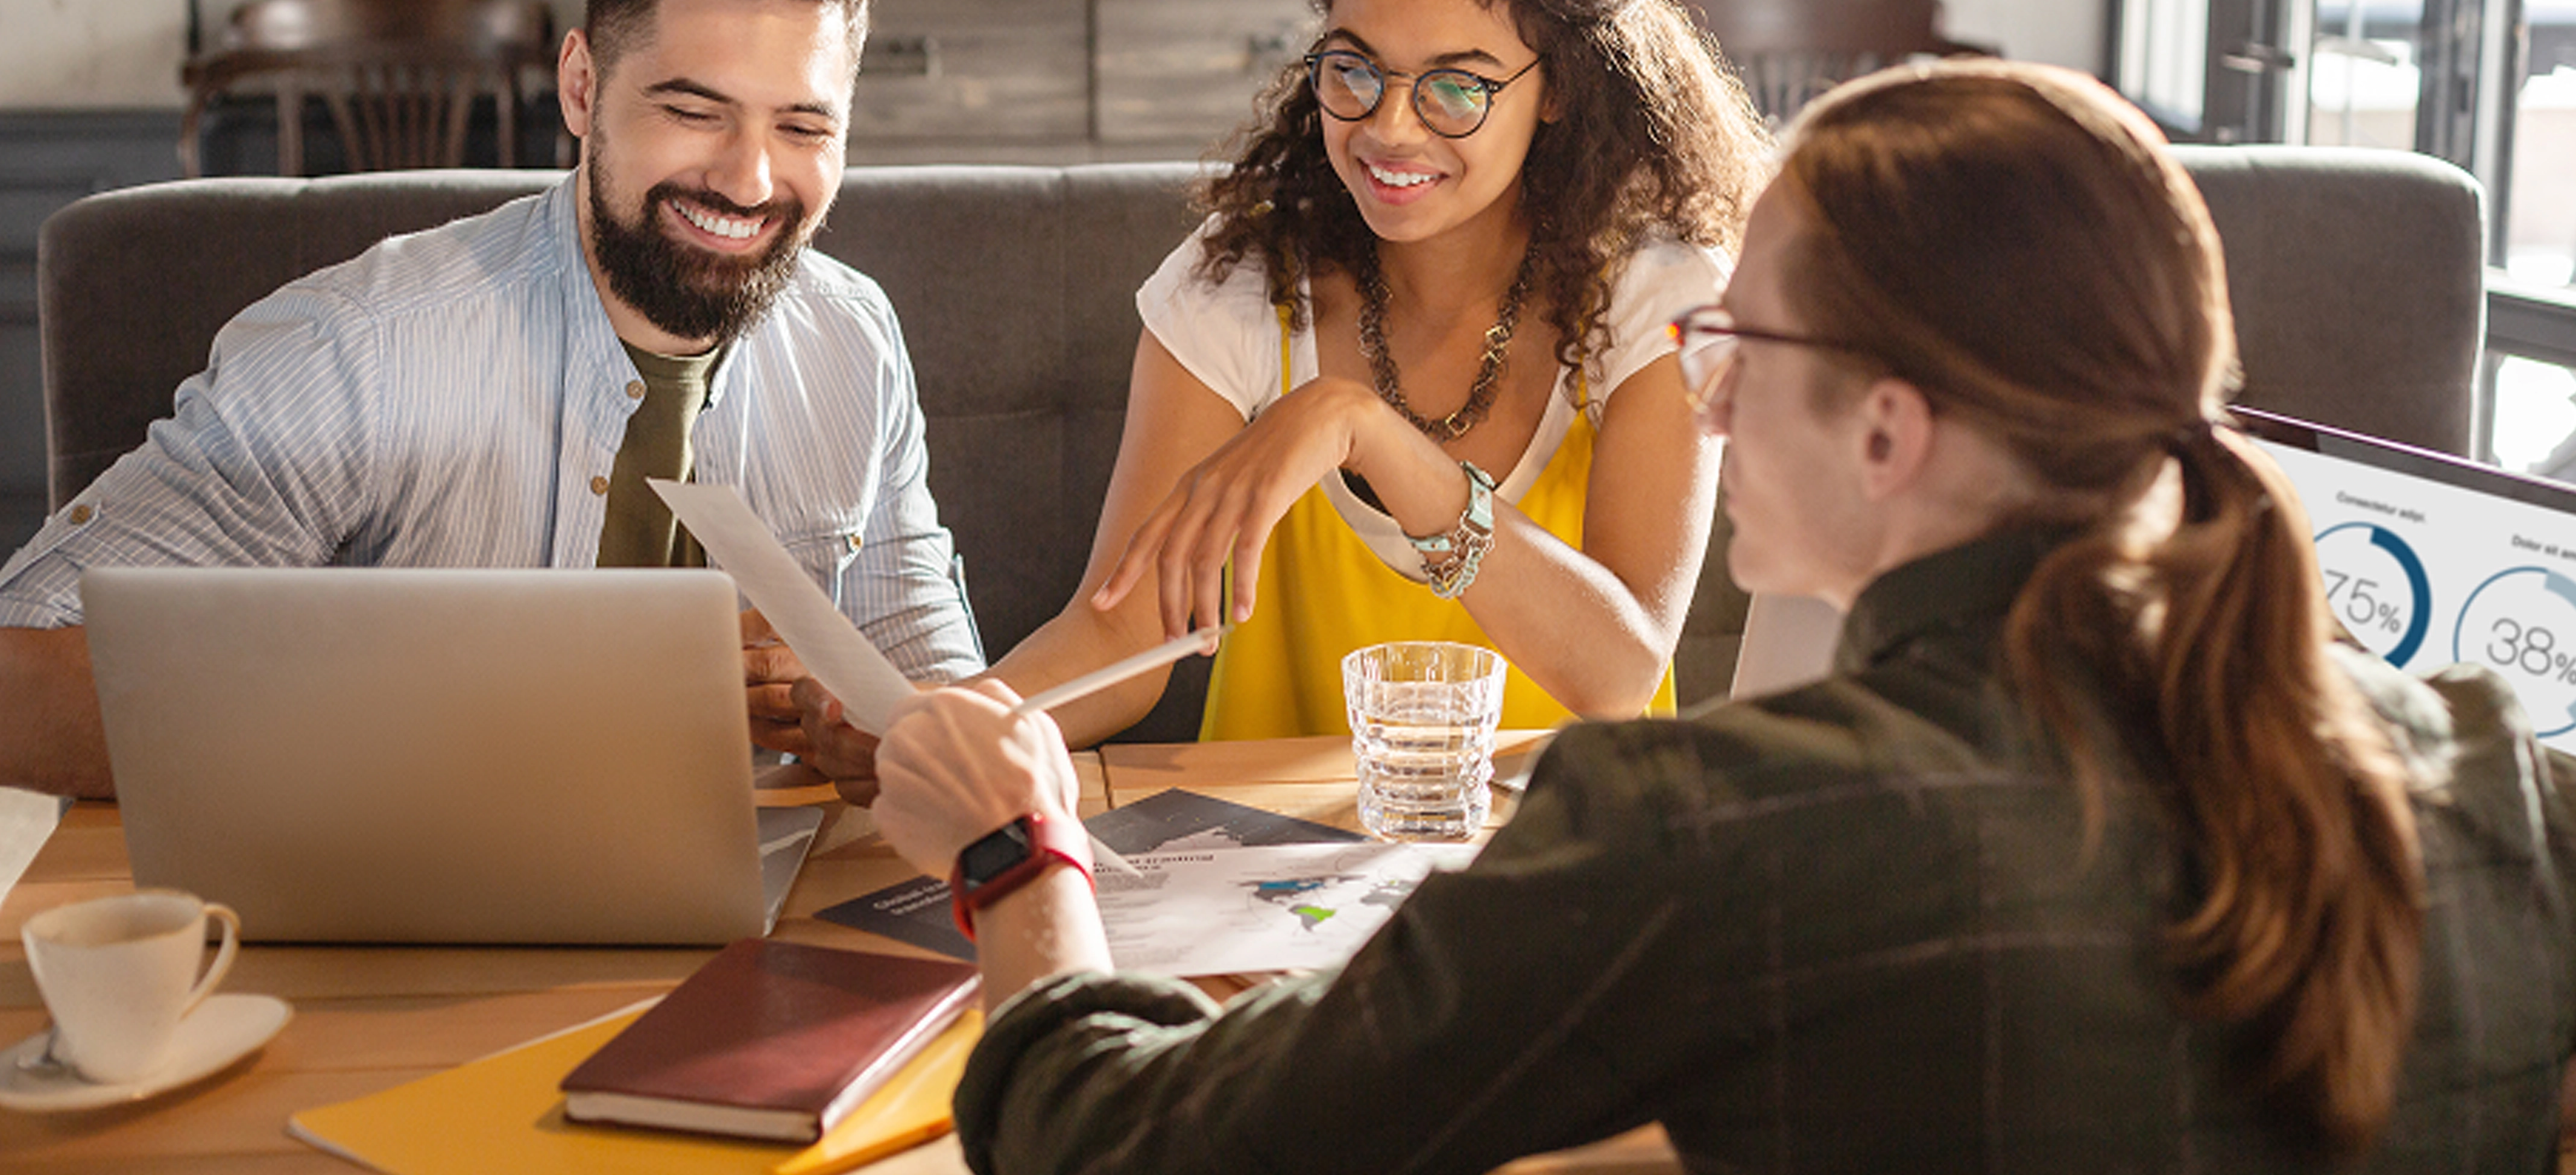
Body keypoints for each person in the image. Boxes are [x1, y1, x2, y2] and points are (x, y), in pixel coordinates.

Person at [867, 60, 2576, 1172]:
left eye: (1743, 350)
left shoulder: (1723, 829)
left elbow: (1123, 1150)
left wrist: (1019, 858)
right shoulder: (2501, 784)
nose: (1705, 401)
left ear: (1891, 429)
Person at [796, 0, 1767, 785]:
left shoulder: (1653, 293)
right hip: (1268, 869)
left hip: (1564, 864)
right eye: (1354, 68)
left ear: (1558, 88)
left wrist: (1363, 429)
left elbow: (1619, 669)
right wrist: (944, 724)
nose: (1389, 128)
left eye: (1456, 88)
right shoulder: (1241, 284)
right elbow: (1123, 635)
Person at [0, 0, 982, 799]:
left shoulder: (854, 337)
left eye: (803, 128)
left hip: (767, 919)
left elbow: (923, 661)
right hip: (405, 918)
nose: (750, 179)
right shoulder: (361, 349)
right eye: (694, 111)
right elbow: (21, 687)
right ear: (583, 88)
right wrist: (581, 688)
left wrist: (900, 738)